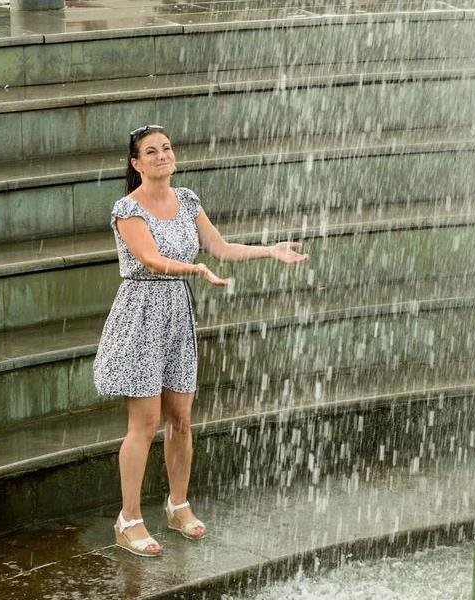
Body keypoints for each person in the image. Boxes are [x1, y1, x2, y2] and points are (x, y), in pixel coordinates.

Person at [92, 124, 308, 557]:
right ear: (136, 163)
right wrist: (194, 271)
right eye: (150, 152)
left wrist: (270, 250)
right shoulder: (126, 209)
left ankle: (178, 505)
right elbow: (150, 259)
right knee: (145, 423)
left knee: (181, 419)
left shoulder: (187, 199)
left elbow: (220, 247)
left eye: (166, 149)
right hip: (141, 315)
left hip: (177, 316)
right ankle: (129, 519)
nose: (161, 156)